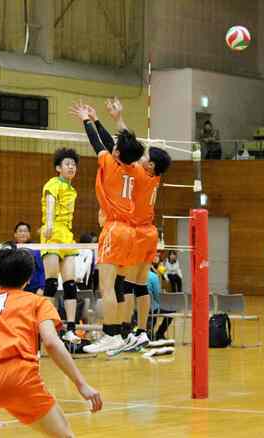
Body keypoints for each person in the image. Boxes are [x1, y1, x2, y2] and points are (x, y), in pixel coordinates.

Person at [0, 244, 102, 437]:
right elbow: (52, 343)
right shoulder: (38, 302)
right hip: (20, 379)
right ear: (28, 279)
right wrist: (81, 384)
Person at [91, 98, 172, 355]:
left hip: (133, 229)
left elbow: (126, 148)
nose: (143, 155)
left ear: (150, 165)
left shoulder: (138, 172)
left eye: (146, 156)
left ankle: (121, 332)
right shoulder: (153, 177)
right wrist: (115, 119)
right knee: (139, 285)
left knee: (123, 286)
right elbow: (129, 147)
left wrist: (114, 119)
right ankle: (139, 331)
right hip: (149, 231)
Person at [71, 100, 144, 354]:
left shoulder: (111, 164)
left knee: (107, 287)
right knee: (119, 286)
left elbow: (97, 144)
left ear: (116, 153)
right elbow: (112, 144)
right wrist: (97, 119)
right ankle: (120, 334)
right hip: (131, 233)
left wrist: (86, 120)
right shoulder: (134, 169)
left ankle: (111, 335)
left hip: (114, 229)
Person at [40, 147, 82, 344]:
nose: (71, 167)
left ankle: (71, 329)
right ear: (58, 168)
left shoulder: (72, 189)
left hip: (67, 234)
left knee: (70, 283)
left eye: (73, 164)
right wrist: (48, 224)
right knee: (51, 283)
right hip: (53, 231)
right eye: (67, 164)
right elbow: (50, 202)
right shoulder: (53, 183)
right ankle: (46, 328)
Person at [13, 222, 45, 295]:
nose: (23, 233)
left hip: (34, 288)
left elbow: (42, 269)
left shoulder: (36, 249)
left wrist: (42, 287)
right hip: (16, 287)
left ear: (29, 234)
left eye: (26, 231)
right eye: (20, 231)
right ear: (15, 234)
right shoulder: (11, 250)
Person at [146, 259, 173, 341]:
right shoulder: (153, 277)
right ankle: (159, 333)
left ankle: (147, 332)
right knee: (170, 311)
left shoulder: (132, 276)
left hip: (137, 308)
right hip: (152, 308)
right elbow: (158, 297)